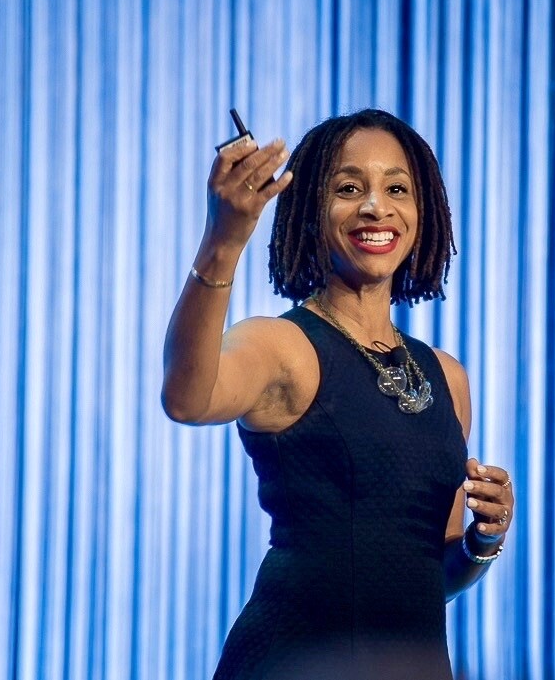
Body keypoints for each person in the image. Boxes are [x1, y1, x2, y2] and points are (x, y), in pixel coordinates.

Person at [162, 109, 515, 679]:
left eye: (396, 188)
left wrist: (482, 542)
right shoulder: (284, 346)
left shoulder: (447, 376)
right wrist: (223, 241)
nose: (376, 206)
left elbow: (432, 573)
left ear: (422, 213)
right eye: (349, 189)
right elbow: (187, 398)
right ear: (308, 214)